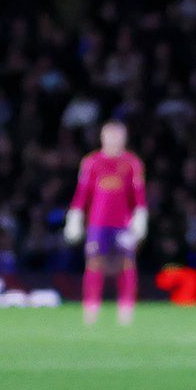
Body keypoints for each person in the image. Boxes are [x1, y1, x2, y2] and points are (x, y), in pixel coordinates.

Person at [63, 119, 147, 325]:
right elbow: (83, 193)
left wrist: (140, 216)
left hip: (122, 224)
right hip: (98, 223)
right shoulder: (91, 162)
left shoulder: (132, 163)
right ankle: (91, 308)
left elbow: (138, 195)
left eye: (118, 136)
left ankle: (126, 309)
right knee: (94, 264)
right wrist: (75, 216)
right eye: (110, 135)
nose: (114, 140)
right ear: (102, 137)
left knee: (126, 264)